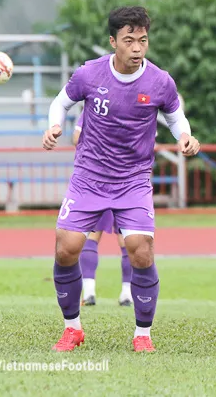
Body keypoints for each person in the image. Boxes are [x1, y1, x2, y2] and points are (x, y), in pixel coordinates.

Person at [43, 6, 200, 353]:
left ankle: (142, 334)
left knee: (140, 250)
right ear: (113, 41)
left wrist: (185, 136)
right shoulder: (89, 74)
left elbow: (176, 117)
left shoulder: (160, 81)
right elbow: (60, 103)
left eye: (142, 40)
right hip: (88, 177)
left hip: (133, 179)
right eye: (129, 40)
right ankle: (73, 329)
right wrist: (55, 125)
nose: (137, 48)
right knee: (65, 248)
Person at [72, 110, 134, 307]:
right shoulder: (134, 108)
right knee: (127, 239)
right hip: (128, 183)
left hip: (98, 182)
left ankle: (89, 291)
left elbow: (76, 137)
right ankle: (127, 293)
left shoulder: (93, 108)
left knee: (92, 235)